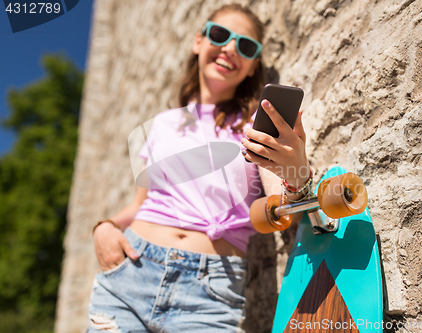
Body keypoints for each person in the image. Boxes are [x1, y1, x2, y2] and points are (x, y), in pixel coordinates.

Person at [88, 4, 311, 332]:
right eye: (220, 35)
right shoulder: (162, 124)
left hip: (211, 290)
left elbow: (287, 204)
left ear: (252, 67)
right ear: (198, 41)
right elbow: (139, 205)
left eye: (246, 46)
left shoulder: (253, 128)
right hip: (130, 275)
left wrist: (297, 171)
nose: (230, 49)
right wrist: (103, 228)